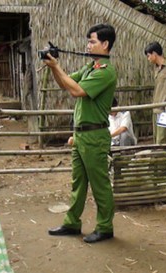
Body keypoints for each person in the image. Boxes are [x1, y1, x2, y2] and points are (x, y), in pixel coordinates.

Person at [44, 24, 117, 243]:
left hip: (95, 136)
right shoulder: (89, 68)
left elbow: (77, 91)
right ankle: (72, 223)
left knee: (99, 183)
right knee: (78, 182)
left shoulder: (106, 72)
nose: (88, 45)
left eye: (92, 41)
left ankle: (105, 227)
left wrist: (57, 66)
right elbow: (66, 83)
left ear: (105, 44)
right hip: (81, 135)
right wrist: (53, 67)